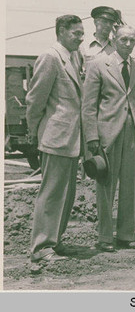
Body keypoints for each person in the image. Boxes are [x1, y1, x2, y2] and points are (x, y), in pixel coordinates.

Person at [82, 25, 135, 252]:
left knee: (131, 186)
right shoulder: (98, 65)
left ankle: (126, 234)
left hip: (133, 133)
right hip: (107, 135)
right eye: (124, 40)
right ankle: (104, 237)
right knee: (105, 186)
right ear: (114, 39)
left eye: (132, 40)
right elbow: (89, 106)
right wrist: (92, 136)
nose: (128, 44)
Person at [26, 14, 85, 263]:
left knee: (66, 195)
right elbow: (35, 99)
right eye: (76, 33)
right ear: (61, 31)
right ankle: (41, 247)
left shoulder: (73, 56)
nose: (81, 38)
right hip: (55, 136)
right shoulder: (50, 57)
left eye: (82, 33)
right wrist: (33, 132)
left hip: (71, 138)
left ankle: (54, 241)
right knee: (51, 194)